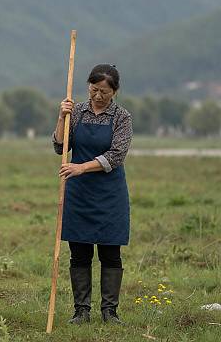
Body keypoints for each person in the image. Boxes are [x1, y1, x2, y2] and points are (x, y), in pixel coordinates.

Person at [52, 64, 132, 325]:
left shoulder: (122, 117)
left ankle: (110, 311)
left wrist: (82, 167)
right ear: (88, 85)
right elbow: (60, 146)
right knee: (80, 252)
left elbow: (116, 156)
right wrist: (61, 117)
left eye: (105, 92)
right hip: (78, 192)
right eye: (94, 89)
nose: (98, 96)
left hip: (110, 193)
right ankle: (81, 311)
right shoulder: (76, 112)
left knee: (110, 252)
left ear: (115, 92)